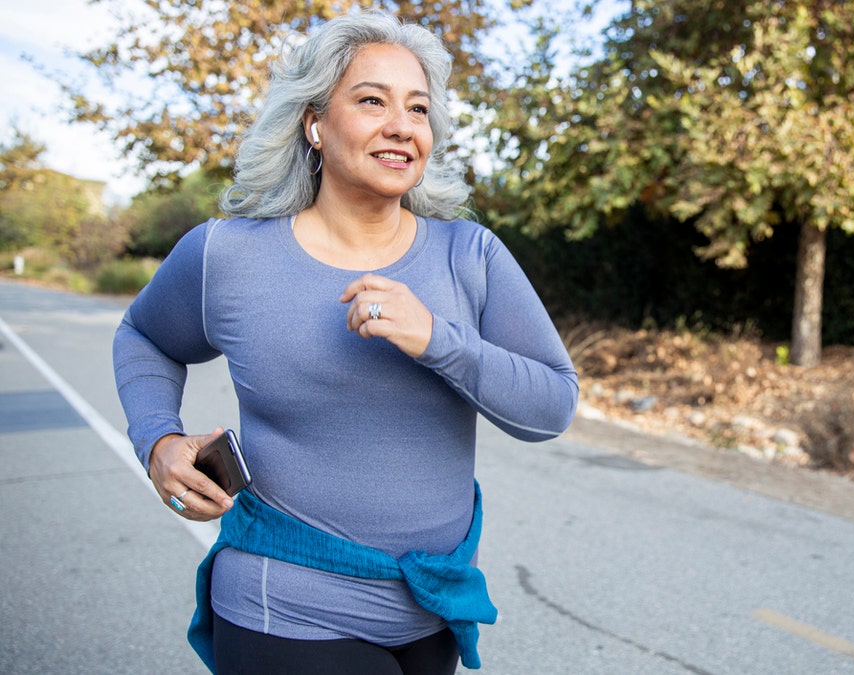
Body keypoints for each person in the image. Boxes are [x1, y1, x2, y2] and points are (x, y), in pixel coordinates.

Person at [112, 10, 578, 675]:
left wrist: (439, 340)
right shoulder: (229, 255)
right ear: (315, 125)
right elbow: (145, 335)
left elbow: (553, 405)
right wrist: (158, 439)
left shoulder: (470, 255)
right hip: (287, 608)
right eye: (371, 101)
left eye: (418, 109)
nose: (401, 125)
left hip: (431, 610)